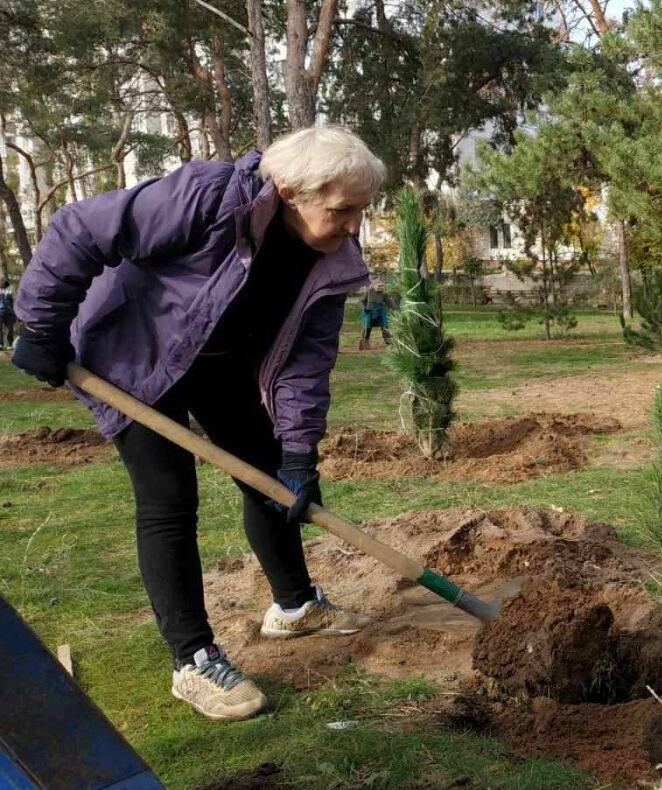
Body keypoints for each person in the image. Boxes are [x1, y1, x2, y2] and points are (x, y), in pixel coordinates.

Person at [12, 126, 384, 721]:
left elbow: (306, 362)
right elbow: (81, 228)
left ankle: (294, 607)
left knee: (270, 477)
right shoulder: (210, 197)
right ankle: (193, 659)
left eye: (360, 211)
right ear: (291, 192)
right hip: (133, 358)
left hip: (218, 361)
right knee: (168, 495)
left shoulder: (331, 262)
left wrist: (298, 451)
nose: (353, 226)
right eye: (342, 211)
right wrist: (41, 325)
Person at [358, 277, 391, 350]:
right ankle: (365, 342)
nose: (380, 287)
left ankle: (389, 343)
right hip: (369, 312)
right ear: (374, 286)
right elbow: (362, 301)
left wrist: (392, 307)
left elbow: (388, 302)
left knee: (384, 327)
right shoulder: (368, 292)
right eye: (379, 286)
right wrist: (365, 308)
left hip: (380, 312)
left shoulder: (384, 293)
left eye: (381, 286)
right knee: (367, 328)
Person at [0, 279, 15, 352]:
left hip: (9, 312)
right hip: (0, 312)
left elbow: (14, 301)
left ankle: (10, 344)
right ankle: (0, 344)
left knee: (10, 328)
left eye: (2, 282)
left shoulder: (10, 289)